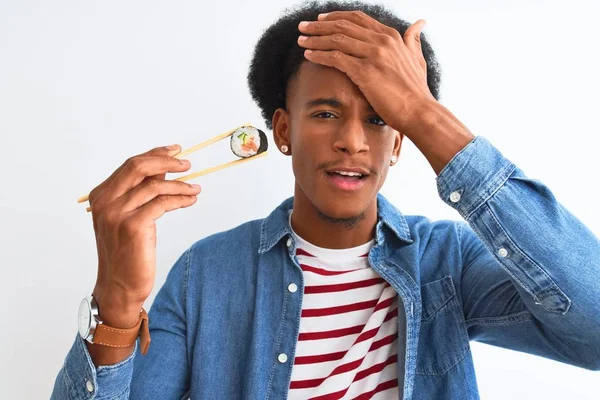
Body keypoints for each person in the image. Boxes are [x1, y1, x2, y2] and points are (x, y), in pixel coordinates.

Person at [51, 1, 600, 399]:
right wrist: (118, 305)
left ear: (401, 143)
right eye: (325, 113)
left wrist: (426, 114)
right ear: (283, 130)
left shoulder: (446, 263)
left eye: (381, 118)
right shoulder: (205, 276)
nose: (354, 141)